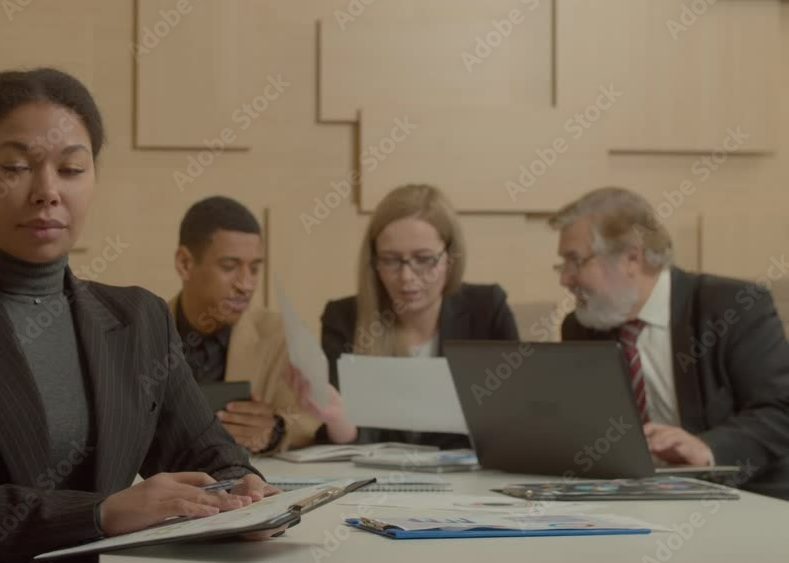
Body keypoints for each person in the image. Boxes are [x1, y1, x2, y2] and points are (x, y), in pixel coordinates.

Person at [0, 68, 278, 563]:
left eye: (71, 169)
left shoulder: (139, 319)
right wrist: (100, 514)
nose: (48, 190)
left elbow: (209, 456)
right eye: (15, 167)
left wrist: (247, 496)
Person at [552, 186, 789, 499]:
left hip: (746, 496)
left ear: (631, 258)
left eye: (575, 261)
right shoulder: (582, 327)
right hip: (635, 502)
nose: (564, 279)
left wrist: (706, 447)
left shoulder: (733, 307)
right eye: (563, 264)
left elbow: (779, 410)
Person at [285, 183, 519, 449]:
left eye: (424, 259)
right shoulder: (343, 318)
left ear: (450, 258)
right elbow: (348, 444)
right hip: (376, 484)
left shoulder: (487, 308)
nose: (407, 277)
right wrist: (336, 418)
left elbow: (516, 417)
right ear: (373, 261)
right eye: (391, 260)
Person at [171, 197, 320, 453]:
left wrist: (275, 432)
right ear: (185, 263)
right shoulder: (140, 332)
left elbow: (310, 418)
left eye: (254, 268)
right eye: (230, 267)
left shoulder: (280, 335)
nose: (246, 284)